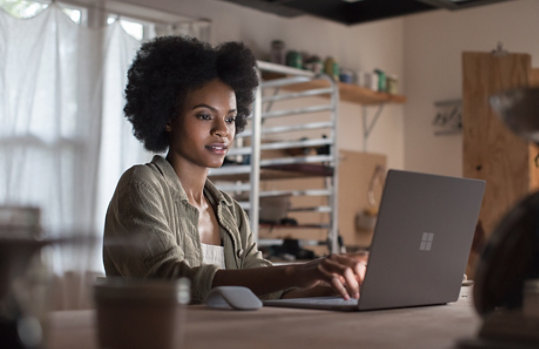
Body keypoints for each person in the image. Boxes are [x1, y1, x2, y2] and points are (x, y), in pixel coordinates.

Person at [103, 36, 367, 303]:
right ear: (168, 118)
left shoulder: (230, 211)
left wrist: (345, 287)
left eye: (230, 118)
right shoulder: (141, 185)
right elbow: (172, 281)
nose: (222, 131)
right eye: (205, 115)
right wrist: (298, 271)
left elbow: (274, 293)